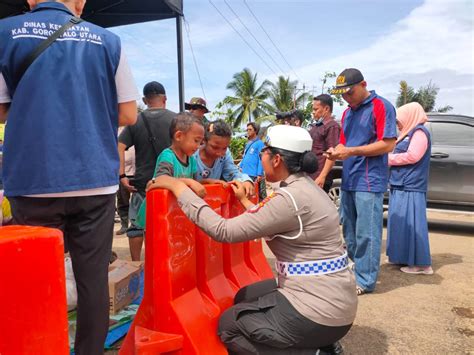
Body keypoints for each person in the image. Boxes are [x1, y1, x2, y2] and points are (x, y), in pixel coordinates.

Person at [0, 1, 138, 354]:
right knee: (92, 281)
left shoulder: (4, 32)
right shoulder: (109, 41)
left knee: (34, 279)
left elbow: (1, 109)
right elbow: (128, 113)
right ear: (81, 3)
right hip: (95, 178)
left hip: (34, 178)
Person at [150, 125, 357, 354]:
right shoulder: (305, 188)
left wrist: (179, 188)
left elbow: (223, 230)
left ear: (276, 159)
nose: (261, 157)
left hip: (319, 313)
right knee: (246, 296)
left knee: (230, 326)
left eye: (263, 152)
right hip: (333, 303)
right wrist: (244, 201)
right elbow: (271, 219)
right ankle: (319, 341)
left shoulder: (290, 199)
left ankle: (315, 351)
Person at [327, 68, 396, 295]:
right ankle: (355, 270)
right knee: (349, 231)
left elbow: (388, 144)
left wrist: (352, 151)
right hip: (349, 177)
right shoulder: (347, 114)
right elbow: (344, 145)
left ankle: (365, 280)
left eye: (350, 92)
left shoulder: (381, 106)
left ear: (364, 84)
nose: (347, 98)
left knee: (367, 232)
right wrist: (334, 152)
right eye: (343, 95)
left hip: (369, 179)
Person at [118, 81, 176, 260]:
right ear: (165, 99)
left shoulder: (136, 121)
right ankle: (162, 261)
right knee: (167, 225)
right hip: (170, 183)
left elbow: (119, 146)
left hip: (142, 184)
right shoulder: (175, 119)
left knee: (136, 227)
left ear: (145, 99)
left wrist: (122, 176)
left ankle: (136, 264)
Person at [386, 102, 433, 275]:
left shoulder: (419, 132)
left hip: (411, 185)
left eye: (399, 120)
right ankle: (402, 257)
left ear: (409, 117)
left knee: (413, 224)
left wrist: (388, 159)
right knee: (400, 223)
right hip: (401, 183)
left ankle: (421, 264)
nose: (397, 124)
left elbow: (413, 156)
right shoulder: (406, 133)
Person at [138, 113, 206, 228]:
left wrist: (211, 181)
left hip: (174, 212)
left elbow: (195, 184)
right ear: (179, 136)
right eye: (196, 140)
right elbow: (160, 179)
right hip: (157, 213)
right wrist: (189, 182)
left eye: (200, 142)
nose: (198, 146)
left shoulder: (192, 160)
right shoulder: (167, 156)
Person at [194, 120, 255, 197]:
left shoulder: (225, 155)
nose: (220, 153)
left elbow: (232, 172)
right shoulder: (192, 155)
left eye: (224, 148)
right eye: (215, 147)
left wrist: (245, 180)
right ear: (204, 141)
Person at [309, 94, 341, 192]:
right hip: (310, 176)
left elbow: (332, 153)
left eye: (316, 109)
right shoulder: (316, 126)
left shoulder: (331, 126)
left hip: (319, 178)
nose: (313, 112)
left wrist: (322, 176)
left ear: (326, 109)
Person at [239, 122, 266, 200]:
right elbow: (245, 157)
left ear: (255, 131)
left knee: (258, 195)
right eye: (247, 129)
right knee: (247, 194)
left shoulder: (259, 143)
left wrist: (259, 174)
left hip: (253, 174)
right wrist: (241, 166)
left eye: (250, 129)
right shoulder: (248, 144)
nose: (248, 131)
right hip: (245, 173)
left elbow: (261, 158)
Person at [116, 134, 135, 235]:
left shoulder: (137, 130)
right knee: (123, 201)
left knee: (137, 202)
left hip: (137, 172)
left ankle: (135, 224)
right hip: (124, 173)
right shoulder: (119, 133)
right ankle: (124, 224)